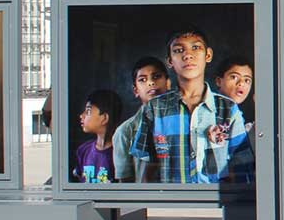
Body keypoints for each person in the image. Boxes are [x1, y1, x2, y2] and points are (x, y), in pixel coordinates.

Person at [131, 27, 252, 184]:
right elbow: (146, 167)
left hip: (215, 205)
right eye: (179, 50)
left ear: (208, 55)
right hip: (168, 204)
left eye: (196, 47)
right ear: (169, 61)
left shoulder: (227, 108)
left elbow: (242, 166)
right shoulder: (155, 108)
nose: (188, 55)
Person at [113, 56, 171, 183]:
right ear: (135, 90)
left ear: (168, 83)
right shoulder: (124, 132)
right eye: (143, 80)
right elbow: (125, 183)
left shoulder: (186, 120)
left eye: (156, 77)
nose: (150, 83)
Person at [72, 90, 122, 183]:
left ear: (104, 118)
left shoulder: (120, 153)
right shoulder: (83, 150)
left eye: (88, 111)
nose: (81, 116)